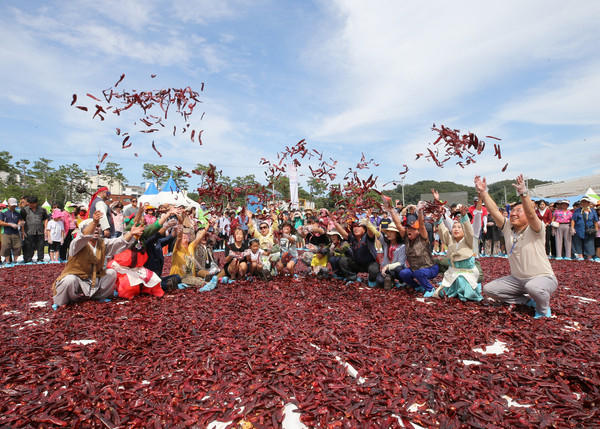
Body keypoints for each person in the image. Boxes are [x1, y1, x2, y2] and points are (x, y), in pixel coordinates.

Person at [474, 174, 557, 318]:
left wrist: (524, 194)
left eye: (519, 211)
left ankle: (543, 310)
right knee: (489, 289)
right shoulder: (508, 227)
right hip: (517, 280)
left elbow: (531, 215)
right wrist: (484, 192)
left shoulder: (536, 228)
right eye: (512, 211)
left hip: (543, 278)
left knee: (533, 287)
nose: (513, 214)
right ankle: (525, 301)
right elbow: (493, 210)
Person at [52, 210, 145, 307]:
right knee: (69, 280)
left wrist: (131, 233)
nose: (96, 229)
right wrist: (94, 222)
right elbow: (83, 237)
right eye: (93, 227)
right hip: (76, 280)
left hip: (93, 279)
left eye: (98, 226)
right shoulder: (77, 244)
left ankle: (99, 296)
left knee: (111, 273)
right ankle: (64, 301)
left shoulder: (102, 243)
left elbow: (118, 242)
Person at [432, 204, 482, 301]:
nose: (456, 229)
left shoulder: (469, 241)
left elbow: (469, 231)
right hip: (453, 270)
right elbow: (443, 232)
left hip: (467, 272)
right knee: (444, 290)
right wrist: (439, 221)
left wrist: (464, 217)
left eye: (459, 227)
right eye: (454, 227)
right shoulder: (451, 240)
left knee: (461, 280)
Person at [387, 202, 439, 293]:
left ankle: (430, 289)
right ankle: (418, 287)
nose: (409, 230)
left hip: (430, 268)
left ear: (418, 231)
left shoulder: (422, 238)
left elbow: (422, 225)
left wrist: (419, 211)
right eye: (408, 228)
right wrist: (392, 211)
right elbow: (398, 225)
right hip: (415, 268)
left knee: (419, 272)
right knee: (403, 273)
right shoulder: (407, 238)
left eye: (412, 229)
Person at [331, 216, 380, 286]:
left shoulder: (368, 237)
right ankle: (353, 278)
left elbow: (371, 232)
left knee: (374, 270)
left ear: (364, 229)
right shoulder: (352, 238)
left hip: (370, 263)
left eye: (359, 226)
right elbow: (342, 233)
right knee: (343, 261)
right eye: (354, 227)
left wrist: (367, 222)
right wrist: (335, 222)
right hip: (357, 264)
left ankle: (371, 280)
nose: (356, 228)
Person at [376, 223, 406, 290]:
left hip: (396, 269)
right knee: (379, 281)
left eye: (391, 232)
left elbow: (401, 263)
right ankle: (391, 280)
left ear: (397, 234)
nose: (388, 234)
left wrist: (387, 266)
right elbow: (378, 235)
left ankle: (401, 282)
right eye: (388, 232)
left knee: (399, 269)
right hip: (387, 270)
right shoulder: (386, 244)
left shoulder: (402, 246)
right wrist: (369, 225)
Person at [21, 196, 49, 263]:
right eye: (29, 203)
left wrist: (45, 228)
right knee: (28, 245)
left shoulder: (42, 209)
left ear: (36, 203)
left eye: (32, 203)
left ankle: (40, 258)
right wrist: (23, 231)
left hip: (40, 230)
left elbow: (45, 219)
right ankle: (28, 258)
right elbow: (22, 220)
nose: (30, 205)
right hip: (29, 230)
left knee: (40, 245)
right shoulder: (24, 210)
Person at [0, 198, 22, 265]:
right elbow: (0, 222)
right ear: (8, 204)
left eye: (14, 205)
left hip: (15, 232)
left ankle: (15, 260)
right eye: (12, 205)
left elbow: (20, 220)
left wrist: (19, 224)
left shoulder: (18, 212)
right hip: (6, 232)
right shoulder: (3, 212)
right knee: (6, 246)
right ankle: (7, 261)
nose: (13, 207)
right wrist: (9, 224)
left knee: (17, 246)